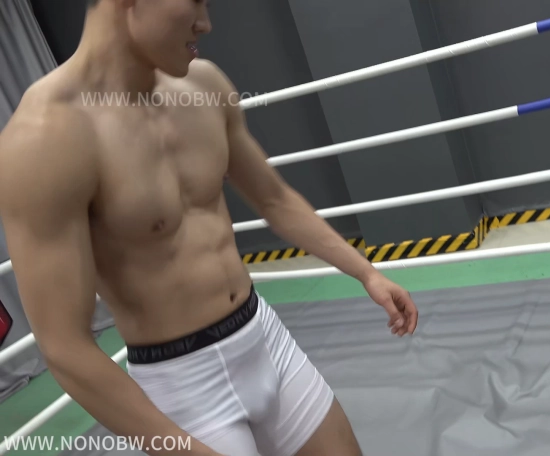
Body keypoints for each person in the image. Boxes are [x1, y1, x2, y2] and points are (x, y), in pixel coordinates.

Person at [0, 0, 418, 455]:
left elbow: (274, 199)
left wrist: (366, 272)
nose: (206, 23)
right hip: (181, 387)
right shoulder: (44, 137)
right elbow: (64, 348)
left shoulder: (204, 85)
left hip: (263, 340)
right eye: (195, 1)